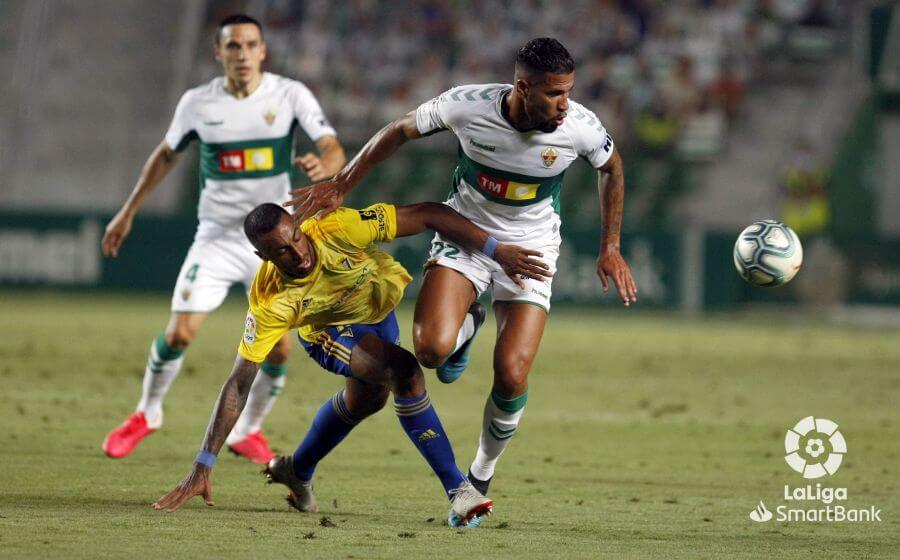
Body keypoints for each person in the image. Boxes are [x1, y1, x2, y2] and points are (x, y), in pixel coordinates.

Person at [287, 38, 638, 526]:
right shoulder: (466, 106)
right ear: (522, 87)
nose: (565, 104)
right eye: (554, 94)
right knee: (430, 351)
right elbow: (399, 130)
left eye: (569, 92)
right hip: (464, 237)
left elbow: (613, 169)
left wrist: (611, 246)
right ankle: (468, 323)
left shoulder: (579, 127)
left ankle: (480, 475)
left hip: (534, 248)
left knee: (512, 374)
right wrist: (343, 182)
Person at [151, 201, 550, 527]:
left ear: (299, 226)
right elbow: (239, 382)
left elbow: (431, 214)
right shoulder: (270, 300)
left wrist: (496, 249)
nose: (298, 253)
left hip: (376, 315)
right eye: (281, 252)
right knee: (405, 372)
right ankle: (459, 490)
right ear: (263, 257)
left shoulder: (339, 228)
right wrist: (204, 462)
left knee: (367, 400)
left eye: (296, 238)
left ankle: (297, 468)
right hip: (329, 334)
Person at [101, 14, 346, 463]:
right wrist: (128, 210)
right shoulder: (197, 103)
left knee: (280, 344)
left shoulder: (289, 95)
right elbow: (165, 155)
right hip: (215, 237)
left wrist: (325, 168)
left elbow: (332, 146)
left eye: (251, 45)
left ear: (263, 51)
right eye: (233, 46)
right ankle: (147, 413)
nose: (243, 54)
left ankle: (248, 430)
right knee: (180, 332)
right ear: (219, 53)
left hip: (274, 248)